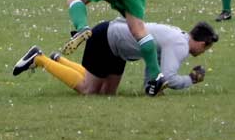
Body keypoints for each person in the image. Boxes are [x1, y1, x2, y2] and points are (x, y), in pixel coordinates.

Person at [12, 19, 218, 95]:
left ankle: (60, 60)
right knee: (89, 90)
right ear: (203, 44)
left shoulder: (178, 37)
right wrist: (190, 80)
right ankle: (39, 59)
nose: (203, 52)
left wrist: (152, 87)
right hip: (105, 38)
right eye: (206, 49)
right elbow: (170, 78)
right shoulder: (180, 45)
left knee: (107, 93)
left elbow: (154, 67)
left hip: (119, 49)